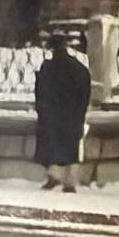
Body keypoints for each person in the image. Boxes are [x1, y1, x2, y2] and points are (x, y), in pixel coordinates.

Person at [33, 35, 90, 192]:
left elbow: (40, 92)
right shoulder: (78, 68)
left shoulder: (48, 68)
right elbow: (84, 93)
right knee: (70, 147)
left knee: (51, 146)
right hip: (71, 115)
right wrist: (80, 112)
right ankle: (69, 181)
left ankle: (54, 177)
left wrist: (41, 110)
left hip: (52, 114)